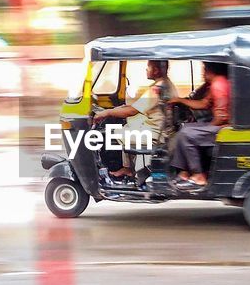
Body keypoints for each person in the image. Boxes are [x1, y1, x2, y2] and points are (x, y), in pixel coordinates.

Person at [91, 60, 176, 179]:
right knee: (127, 127)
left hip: (156, 135)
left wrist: (107, 112)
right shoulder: (166, 84)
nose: (146, 70)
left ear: (156, 70)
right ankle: (128, 168)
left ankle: (124, 169)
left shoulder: (156, 89)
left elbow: (132, 111)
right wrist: (119, 109)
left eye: (148, 67)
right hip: (162, 130)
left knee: (112, 133)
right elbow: (138, 106)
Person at [167, 61, 231, 189]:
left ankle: (198, 175)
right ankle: (184, 172)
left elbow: (222, 117)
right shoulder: (217, 82)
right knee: (186, 128)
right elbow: (204, 103)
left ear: (210, 70)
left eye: (204, 69)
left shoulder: (218, 84)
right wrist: (180, 100)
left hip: (226, 129)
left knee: (188, 134)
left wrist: (206, 129)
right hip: (221, 125)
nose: (202, 73)